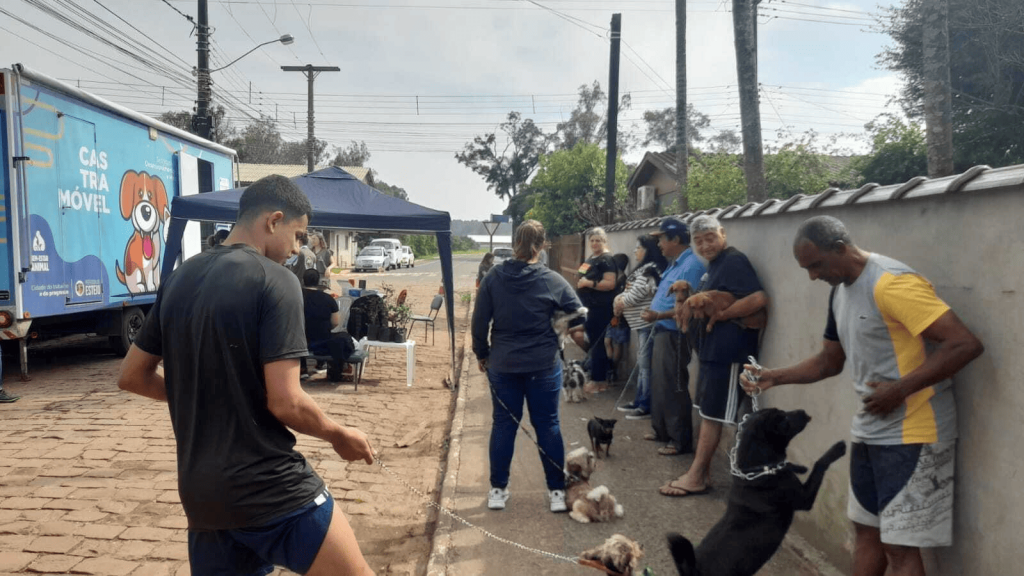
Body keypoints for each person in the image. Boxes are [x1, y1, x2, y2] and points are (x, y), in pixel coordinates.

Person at [116, 175, 376, 576]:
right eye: (298, 235)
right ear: (273, 221)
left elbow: (132, 375)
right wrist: (339, 435)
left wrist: (200, 393)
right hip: (271, 490)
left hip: (204, 499)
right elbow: (286, 402)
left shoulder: (179, 279)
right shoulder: (276, 281)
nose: (298, 249)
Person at [740, 215, 983, 576]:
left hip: (915, 432)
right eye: (806, 269)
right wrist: (774, 377)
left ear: (841, 248)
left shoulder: (892, 283)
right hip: (871, 430)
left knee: (899, 547)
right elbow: (829, 361)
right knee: (866, 531)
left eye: (816, 265)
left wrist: (899, 389)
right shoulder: (839, 291)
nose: (812, 276)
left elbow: (964, 344)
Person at [472, 219, 584, 514]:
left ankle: (498, 490)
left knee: (503, 425)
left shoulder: (494, 277)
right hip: (543, 364)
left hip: (503, 363)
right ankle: (557, 492)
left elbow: (479, 320)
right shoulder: (551, 279)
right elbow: (579, 313)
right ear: (542, 245)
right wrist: (558, 326)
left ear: (515, 243)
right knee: (548, 425)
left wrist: (482, 354)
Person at [661, 214, 768, 495]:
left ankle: (696, 477)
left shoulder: (734, 260)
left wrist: (722, 315)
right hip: (713, 352)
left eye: (710, 238)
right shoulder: (715, 264)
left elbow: (759, 298)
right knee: (707, 411)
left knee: (713, 416)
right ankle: (702, 474)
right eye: (698, 241)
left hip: (729, 352)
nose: (705, 245)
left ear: (723, 234)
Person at [639, 218, 706, 457]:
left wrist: (659, 314)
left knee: (674, 384)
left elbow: (689, 306)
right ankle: (661, 431)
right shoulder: (675, 263)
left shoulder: (692, 266)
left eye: (662, 239)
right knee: (660, 383)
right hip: (662, 329)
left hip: (675, 333)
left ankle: (680, 441)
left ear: (676, 239)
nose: (659, 245)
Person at [613, 234, 668, 420]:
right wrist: (620, 299)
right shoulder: (643, 269)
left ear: (648, 250)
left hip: (647, 323)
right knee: (642, 364)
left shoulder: (650, 269)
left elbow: (634, 295)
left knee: (645, 366)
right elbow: (627, 291)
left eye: (638, 248)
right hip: (640, 323)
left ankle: (645, 405)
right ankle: (638, 400)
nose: (635, 251)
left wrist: (619, 302)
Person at [576, 227, 619, 393]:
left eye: (598, 240)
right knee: (594, 343)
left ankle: (599, 381)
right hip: (589, 307)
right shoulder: (591, 258)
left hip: (600, 308)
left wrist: (588, 283)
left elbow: (610, 283)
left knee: (598, 344)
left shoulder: (606, 260)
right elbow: (580, 274)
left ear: (604, 241)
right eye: (592, 240)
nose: (594, 243)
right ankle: (598, 375)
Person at [301, 269, 355, 382]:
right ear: (318, 281)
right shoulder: (328, 299)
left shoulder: (297, 297)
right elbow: (335, 322)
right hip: (322, 341)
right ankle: (329, 366)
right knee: (342, 338)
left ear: (303, 280)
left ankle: (303, 369)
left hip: (301, 342)